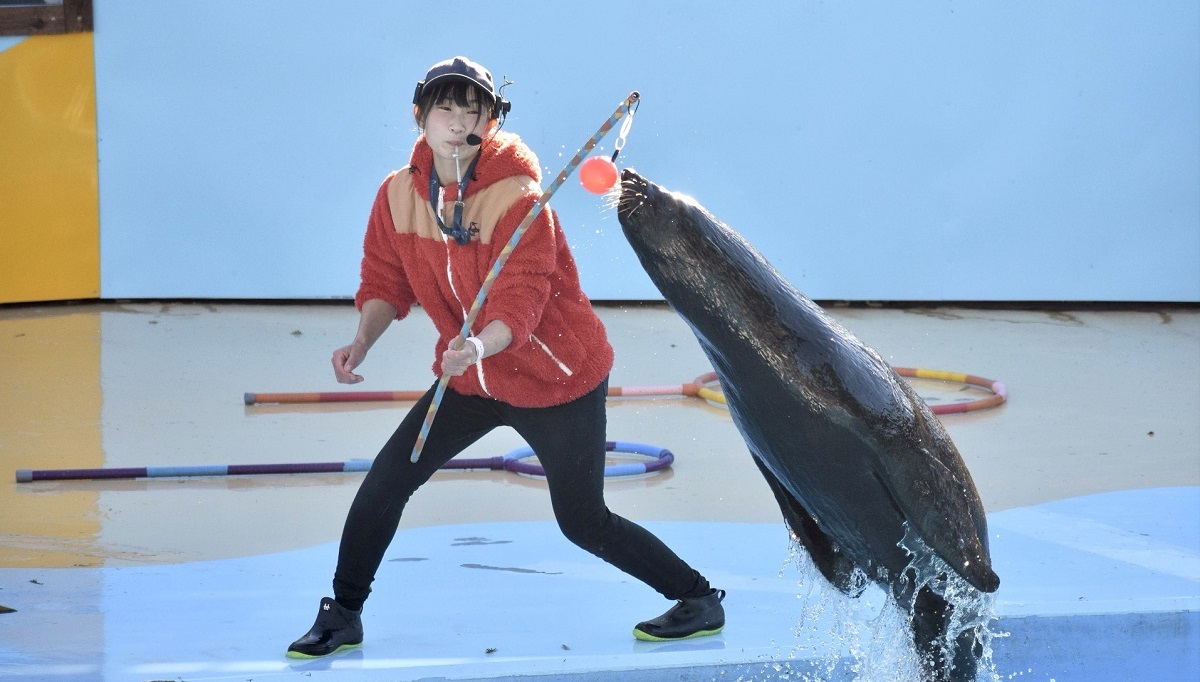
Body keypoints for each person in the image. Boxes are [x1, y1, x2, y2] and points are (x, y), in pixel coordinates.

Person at [287, 56, 724, 658]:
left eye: (475, 108)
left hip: (556, 379)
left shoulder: (519, 198)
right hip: (471, 381)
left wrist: (477, 344)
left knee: (582, 521)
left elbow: (522, 298)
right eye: (447, 106)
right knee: (387, 481)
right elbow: (386, 281)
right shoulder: (397, 196)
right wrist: (362, 340)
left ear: (491, 120)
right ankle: (343, 614)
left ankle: (698, 598)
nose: (460, 119)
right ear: (419, 114)